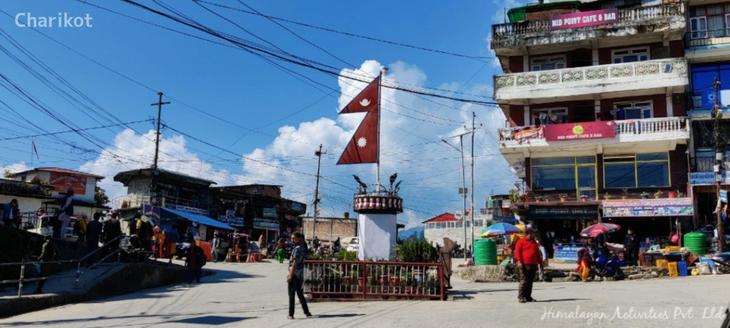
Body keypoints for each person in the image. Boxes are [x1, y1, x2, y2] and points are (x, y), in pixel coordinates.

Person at [513, 228, 542, 303]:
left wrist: (540, 262)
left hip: (533, 264)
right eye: (532, 233)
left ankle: (528, 297)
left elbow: (537, 253)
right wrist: (519, 261)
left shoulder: (534, 242)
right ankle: (521, 297)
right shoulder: (520, 241)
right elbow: (517, 253)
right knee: (524, 281)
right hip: (524, 264)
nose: (534, 235)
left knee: (530, 282)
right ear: (528, 234)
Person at [287, 232, 311, 319]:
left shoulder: (297, 249)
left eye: (294, 238)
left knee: (291, 294)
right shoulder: (303, 247)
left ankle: (291, 314)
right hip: (300, 274)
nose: (292, 240)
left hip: (295, 274)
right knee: (300, 294)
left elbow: (294, 263)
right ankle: (307, 312)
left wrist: (290, 275)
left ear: (299, 238)